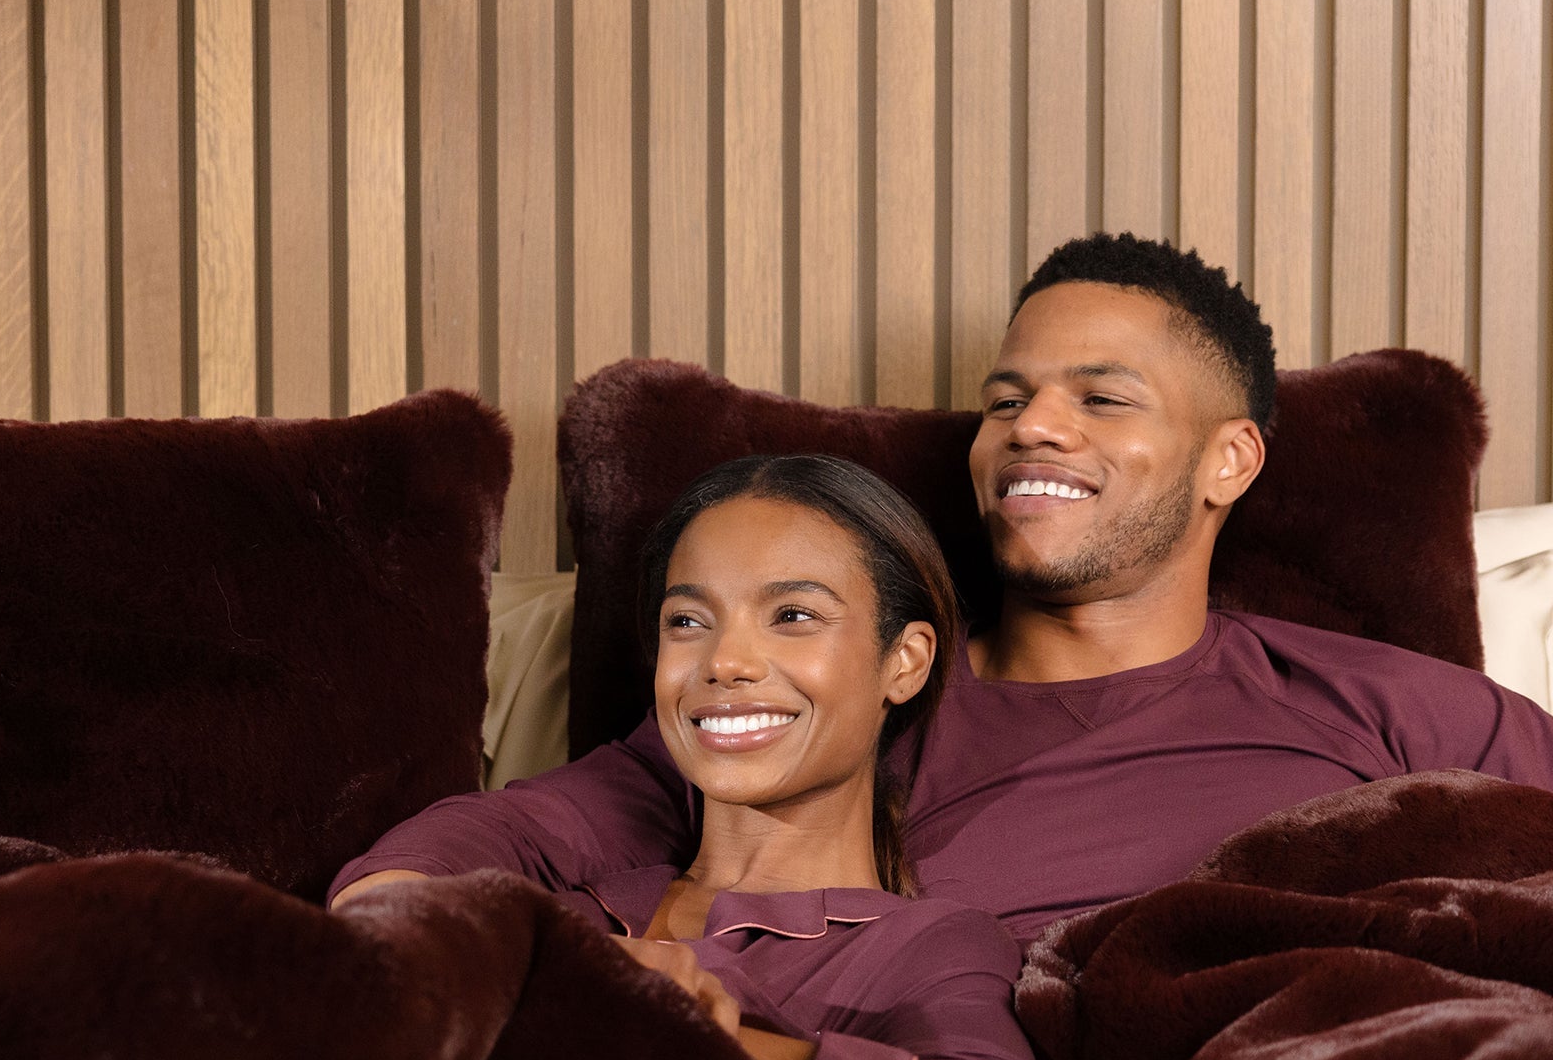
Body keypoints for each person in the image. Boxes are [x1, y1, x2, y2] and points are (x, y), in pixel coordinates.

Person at [341, 233, 1553, 946]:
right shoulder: (835, 690)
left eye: (1101, 398)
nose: (1031, 431)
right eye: (1007, 400)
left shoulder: (1381, 706)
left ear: (1227, 458)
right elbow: (516, 829)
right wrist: (390, 923)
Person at [331, 456, 1047, 1060]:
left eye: (793, 615)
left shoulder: (930, 943)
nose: (725, 660)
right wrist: (400, 934)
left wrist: (693, 1034)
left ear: (906, 660)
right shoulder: (566, 910)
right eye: (688, 621)